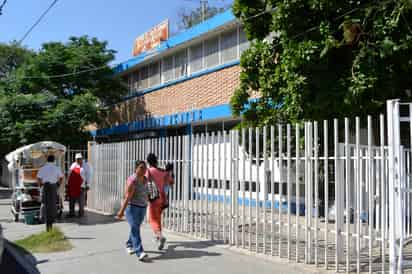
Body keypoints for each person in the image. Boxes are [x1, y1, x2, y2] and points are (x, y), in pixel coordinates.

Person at [116, 161, 149, 261]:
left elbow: (146, 192)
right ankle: (140, 252)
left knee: (135, 227)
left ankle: (129, 244)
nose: (144, 170)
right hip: (132, 208)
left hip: (143, 207)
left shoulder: (145, 179)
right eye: (141, 167)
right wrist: (121, 211)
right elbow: (127, 197)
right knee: (135, 229)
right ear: (136, 169)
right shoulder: (132, 180)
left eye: (145, 168)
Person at [146, 153, 174, 250]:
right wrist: (169, 171)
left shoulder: (149, 171)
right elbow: (171, 182)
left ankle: (160, 236)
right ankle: (159, 239)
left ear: (148, 161)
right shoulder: (162, 171)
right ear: (156, 160)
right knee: (157, 219)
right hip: (163, 198)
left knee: (152, 220)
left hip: (154, 198)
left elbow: (145, 182)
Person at [37, 155, 64, 231]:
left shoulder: (42, 168)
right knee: (53, 203)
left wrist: (40, 186)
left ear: (47, 160)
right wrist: (58, 185)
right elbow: (61, 177)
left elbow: (38, 178)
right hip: (53, 186)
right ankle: (53, 218)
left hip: (45, 186)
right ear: (54, 160)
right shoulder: (57, 168)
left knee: (44, 203)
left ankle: (42, 217)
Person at [67, 153, 91, 217]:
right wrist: (68, 183)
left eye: (79, 159)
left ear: (82, 159)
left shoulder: (86, 166)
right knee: (72, 200)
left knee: (81, 201)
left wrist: (88, 184)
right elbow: (69, 174)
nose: (78, 160)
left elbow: (88, 175)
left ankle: (81, 213)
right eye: (77, 159)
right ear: (75, 159)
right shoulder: (73, 165)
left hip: (81, 186)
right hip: (73, 186)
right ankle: (71, 213)